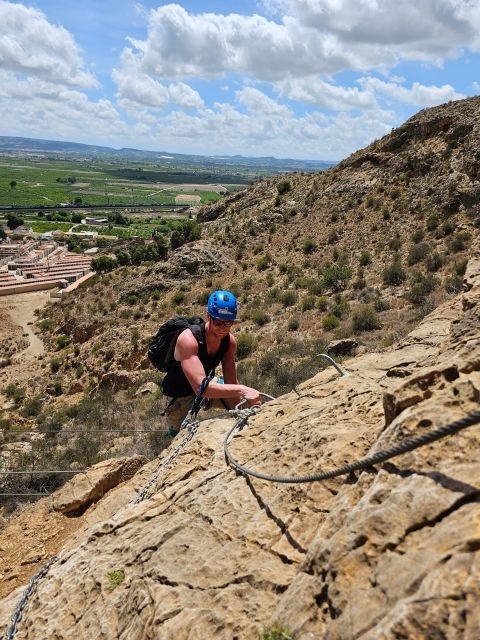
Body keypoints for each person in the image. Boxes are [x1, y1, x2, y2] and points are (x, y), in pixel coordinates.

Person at [161, 290, 261, 436]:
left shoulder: (228, 342)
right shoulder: (188, 340)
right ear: (208, 316)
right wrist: (242, 390)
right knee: (179, 437)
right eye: (218, 322)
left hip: (204, 384)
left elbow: (230, 380)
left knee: (247, 404)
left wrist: (239, 413)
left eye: (228, 323)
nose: (222, 328)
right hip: (179, 395)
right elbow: (201, 388)